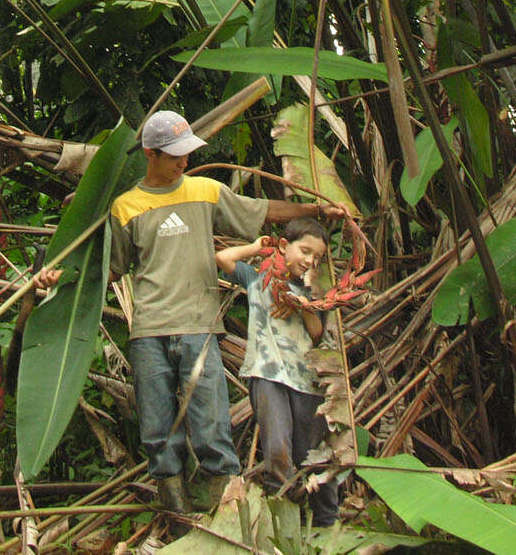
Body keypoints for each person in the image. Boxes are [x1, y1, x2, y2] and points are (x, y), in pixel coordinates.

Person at [109, 109, 342, 527]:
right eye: (175, 155)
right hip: (148, 330)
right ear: (150, 153)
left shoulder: (204, 190)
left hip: (200, 326)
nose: (184, 162)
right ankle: (176, 511)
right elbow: (115, 267)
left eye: (186, 153)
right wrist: (56, 276)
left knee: (211, 421)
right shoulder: (125, 208)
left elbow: (262, 211)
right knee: (158, 425)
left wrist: (314, 209)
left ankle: (228, 514)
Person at [214, 218, 340, 527]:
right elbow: (223, 258)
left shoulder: (313, 292)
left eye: (317, 257)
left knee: (313, 453)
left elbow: (315, 333)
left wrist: (301, 305)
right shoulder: (258, 280)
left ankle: (327, 522)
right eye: (305, 251)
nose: (310, 261)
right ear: (285, 246)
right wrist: (257, 247)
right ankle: (285, 523)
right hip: (268, 375)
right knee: (277, 448)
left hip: (307, 383)